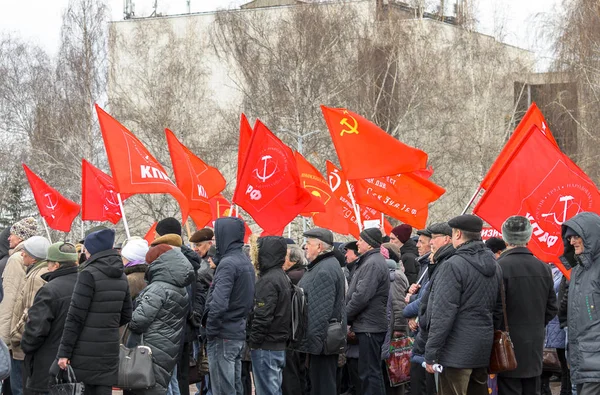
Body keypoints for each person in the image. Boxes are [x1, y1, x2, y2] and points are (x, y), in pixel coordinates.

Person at [423, 215, 502, 395]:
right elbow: (498, 309)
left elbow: (443, 313)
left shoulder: (453, 265)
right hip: (482, 348)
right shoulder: (494, 265)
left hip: (455, 352)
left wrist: (431, 352)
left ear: (457, 234)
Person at [56, 227, 132, 395]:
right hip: (109, 349)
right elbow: (127, 314)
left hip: (85, 350)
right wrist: (106, 324)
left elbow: (75, 317)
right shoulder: (121, 275)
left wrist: (64, 353)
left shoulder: (88, 274)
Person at [496, 216, 557, 395]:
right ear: (529, 238)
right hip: (534, 342)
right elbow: (552, 307)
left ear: (505, 238)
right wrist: (537, 324)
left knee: (509, 389)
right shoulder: (543, 267)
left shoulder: (499, 267)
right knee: (532, 389)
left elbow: (495, 309)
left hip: (507, 344)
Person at [129, 240, 195, 394]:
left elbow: (138, 321)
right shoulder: (179, 286)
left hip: (152, 347)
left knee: (150, 388)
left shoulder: (157, 288)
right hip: (169, 345)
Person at [203, 217, 255, 395]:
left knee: (223, 389)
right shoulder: (243, 261)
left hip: (223, 333)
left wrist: (210, 330)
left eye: (217, 238)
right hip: (236, 331)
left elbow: (218, 303)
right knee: (234, 386)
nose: (214, 242)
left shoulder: (228, 264)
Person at [21, 242, 79, 394]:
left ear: (56, 265)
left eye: (49, 263)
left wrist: (26, 346)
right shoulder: (86, 285)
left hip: (47, 367)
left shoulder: (49, 290)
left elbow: (36, 330)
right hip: (78, 364)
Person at [297, 228, 346, 395]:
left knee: (322, 386)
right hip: (322, 341)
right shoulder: (323, 266)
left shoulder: (324, 270)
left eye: (308, 244)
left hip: (322, 344)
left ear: (319, 247)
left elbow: (320, 313)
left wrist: (313, 346)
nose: (305, 247)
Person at [408, 222, 454, 395]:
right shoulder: (427, 265)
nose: (418, 245)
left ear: (448, 239)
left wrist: (411, 304)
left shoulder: (446, 265)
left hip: (433, 339)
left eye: (430, 239)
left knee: (430, 386)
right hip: (424, 334)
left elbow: (434, 303)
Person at [346, 228, 390, 395]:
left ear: (370, 243)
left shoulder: (372, 263)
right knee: (369, 372)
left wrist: (345, 315)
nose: (358, 243)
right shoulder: (370, 261)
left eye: (361, 240)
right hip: (368, 325)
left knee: (370, 373)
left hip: (370, 327)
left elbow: (361, 296)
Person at [561, 212, 600, 395]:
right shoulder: (577, 271)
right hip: (581, 358)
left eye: (576, 236)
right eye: (569, 237)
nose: (572, 241)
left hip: (596, 359)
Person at [248, 236, 291, 395]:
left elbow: (262, 316)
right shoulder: (281, 276)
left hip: (266, 346)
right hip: (277, 343)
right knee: (273, 389)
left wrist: (253, 341)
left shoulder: (268, 280)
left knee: (267, 390)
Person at [0, 217, 37, 395]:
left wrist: (4, 336)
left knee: (16, 385)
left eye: (13, 234)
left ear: (22, 238)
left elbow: (9, 300)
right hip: (25, 328)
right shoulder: (30, 258)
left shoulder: (15, 259)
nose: (9, 238)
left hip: (14, 330)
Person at [9, 235, 51, 393]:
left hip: (23, 346)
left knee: (19, 388)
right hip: (29, 345)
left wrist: (15, 337)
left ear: (33, 257)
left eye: (25, 252)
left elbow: (30, 312)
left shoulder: (36, 277)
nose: (22, 254)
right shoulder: (39, 272)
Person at [381, 243, 409, 395]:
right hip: (389, 328)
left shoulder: (395, 276)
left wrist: (398, 328)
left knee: (396, 370)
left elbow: (398, 304)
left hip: (394, 330)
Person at [282, 243, 308, 395]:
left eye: (284, 258)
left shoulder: (291, 278)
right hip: (300, 332)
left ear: (293, 260)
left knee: (291, 376)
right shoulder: (303, 273)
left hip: (293, 332)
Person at [541, 266, 569, 395]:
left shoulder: (562, 272)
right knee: (552, 364)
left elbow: (558, 298)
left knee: (564, 365)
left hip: (558, 324)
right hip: (554, 325)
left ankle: (565, 391)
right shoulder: (553, 270)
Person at [121, 237, 150, 302]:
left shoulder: (129, 280)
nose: (122, 260)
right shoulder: (150, 274)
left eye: (124, 257)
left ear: (131, 259)